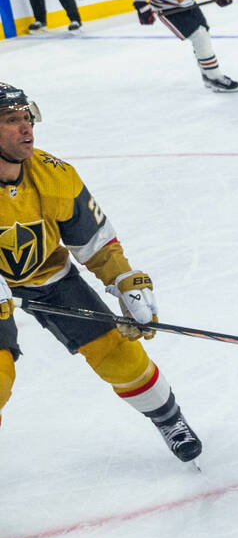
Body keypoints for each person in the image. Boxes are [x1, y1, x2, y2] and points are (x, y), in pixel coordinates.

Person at [0, 83, 201, 461]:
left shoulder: (53, 175)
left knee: (121, 356)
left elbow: (96, 243)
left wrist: (123, 279)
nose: (27, 129)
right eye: (12, 121)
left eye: (27, 118)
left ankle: (168, 418)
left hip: (47, 275)